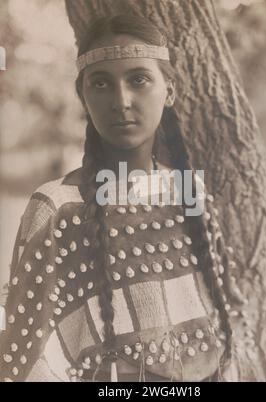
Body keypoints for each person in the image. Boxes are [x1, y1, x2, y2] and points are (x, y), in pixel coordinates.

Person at [0, 14, 245, 382]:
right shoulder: (58, 206)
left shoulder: (190, 193)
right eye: (101, 83)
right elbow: (18, 360)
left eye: (139, 79)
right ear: (82, 94)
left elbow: (227, 330)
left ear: (170, 90)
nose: (122, 100)